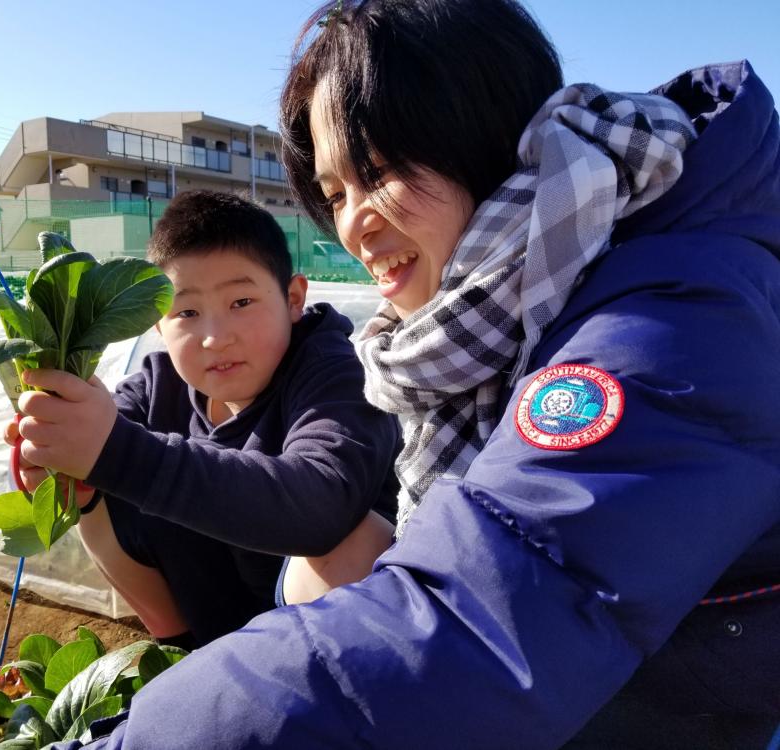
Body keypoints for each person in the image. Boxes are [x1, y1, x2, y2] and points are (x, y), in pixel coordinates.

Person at [55, 0, 780, 748]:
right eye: (337, 194)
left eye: (382, 171)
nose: (355, 222)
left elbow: (474, 629)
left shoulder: (666, 322)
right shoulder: (492, 311)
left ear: (488, 137)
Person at [10, 189, 400, 649]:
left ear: (293, 299)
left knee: (355, 542)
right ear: (159, 324)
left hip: (333, 632)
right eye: (188, 312)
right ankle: (182, 651)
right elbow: (92, 453)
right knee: (97, 495)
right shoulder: (157, 387)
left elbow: (321, 505)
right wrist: (48, 451)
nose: (215, 338)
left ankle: (325, 700)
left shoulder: (336, 374)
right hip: (226, 623)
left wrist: (115, 451)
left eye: (241, 303)